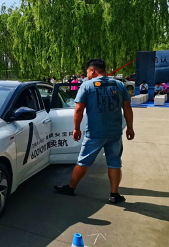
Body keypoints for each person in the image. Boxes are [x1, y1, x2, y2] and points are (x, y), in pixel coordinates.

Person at [54, 58, 134, 204]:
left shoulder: (87, 85)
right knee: (114, 163)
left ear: (92, 70)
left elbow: (78, 108)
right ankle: (114, 194)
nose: (87, 74)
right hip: (115, 133)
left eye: (87, 72)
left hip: (94, 133)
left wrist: (76, 128)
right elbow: (127, 108)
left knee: (83, 161)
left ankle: (71, 188)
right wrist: (129, 127)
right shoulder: (119, 85)